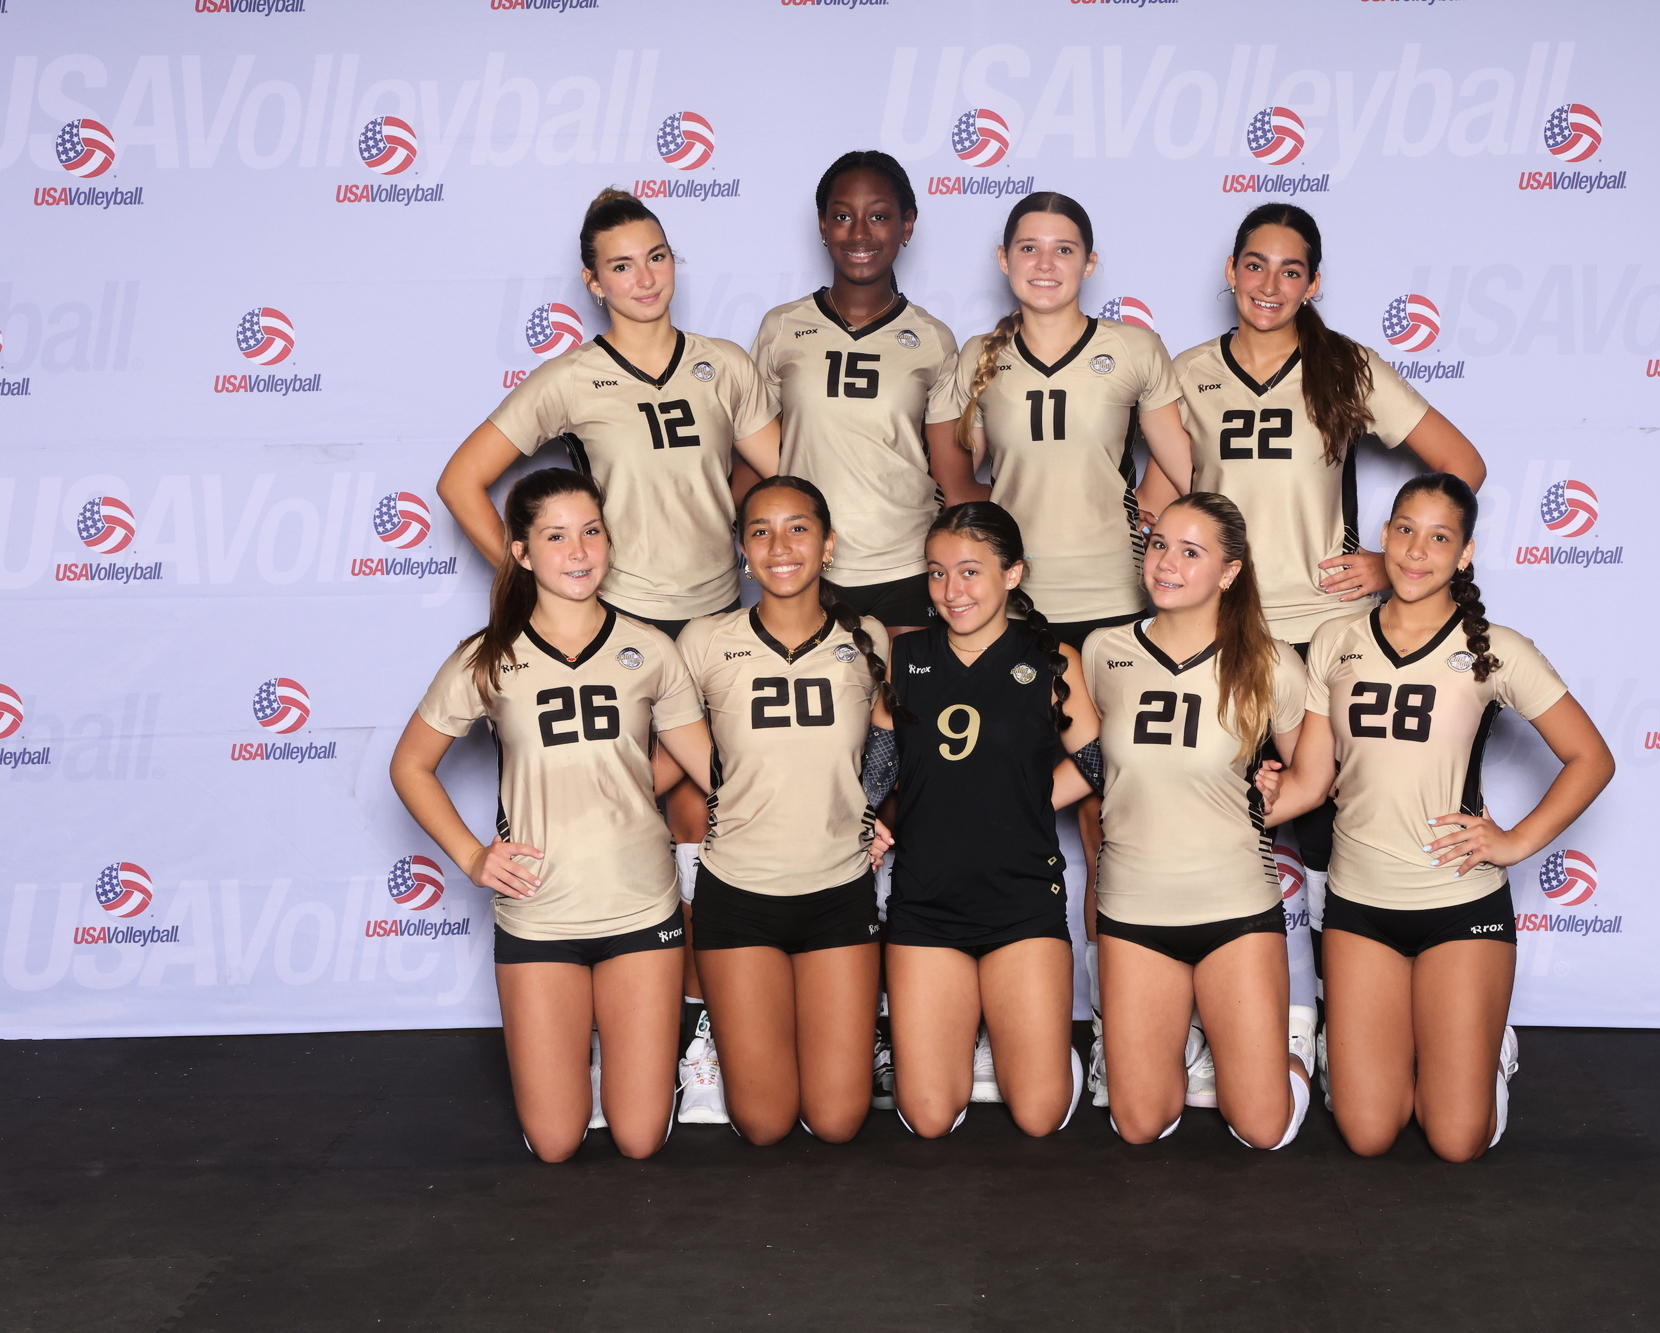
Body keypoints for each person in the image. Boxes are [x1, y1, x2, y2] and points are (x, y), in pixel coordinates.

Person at [437, 187, 782, 1125]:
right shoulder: (571, 379)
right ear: (593, 283)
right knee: (631, 818)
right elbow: (462, 480)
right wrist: (531, 586)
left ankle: (695, 1035)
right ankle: (601, 1035)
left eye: (656, 256)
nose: (644, 278)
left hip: (712, 624)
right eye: (621, 265)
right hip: (618, 632)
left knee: (709, 819)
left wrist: (732, 524)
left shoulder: (723, 364)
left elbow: (779, 475)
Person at [1171, 203, 1487, 1060]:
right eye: (1255, 264)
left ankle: (1334, 1024)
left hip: (1323, 632)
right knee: (1217, 813)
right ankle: (1222, 1022)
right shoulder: (1187, 372)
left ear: (1314, 282)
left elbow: (1462, 465)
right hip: (1226, 631)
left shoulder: (1344, 366)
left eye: (1291, 269)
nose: (1269, 284)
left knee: (1324, 826)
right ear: (1230, 270)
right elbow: (1165, 497)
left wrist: (1391, 562)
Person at [1263, 473, 1614, 1161]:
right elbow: (1311, 779)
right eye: (1404, 530)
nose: (1417, 551)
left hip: (1460, 906)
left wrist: (1514, 841)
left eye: (1439, 537)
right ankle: (1431, 1051)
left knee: (1456, 1139)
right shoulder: (1336, 639)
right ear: (1384, 536)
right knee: (1368, 1133)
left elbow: (1591, 758)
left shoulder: (1494, 648)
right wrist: (1252, 793)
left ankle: (1486, 1051)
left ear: (1465, 553)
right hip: (1360, 904)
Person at [388, 468, 715, 1162]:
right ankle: (576, 1068)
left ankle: (628, 1073)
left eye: (591, 531)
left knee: (638, 1138)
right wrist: (473, 856)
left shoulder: (651, 649)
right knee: (556, 1142)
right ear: (522, 552)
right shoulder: (488, 657)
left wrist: (843, 814)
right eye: (557, 536)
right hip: (540, 915)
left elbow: (715, 769)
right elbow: (409, 766)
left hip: (639, 908)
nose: (579, 550)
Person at [943, 190, 1198, 1056]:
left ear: (1091, 263)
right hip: (1014, 615)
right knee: (991, 807)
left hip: (1114, 611)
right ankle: (995, 1018)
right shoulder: (979, 357)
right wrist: (988, 563)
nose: (1045, 263)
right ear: (1003, 259)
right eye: (1028, 247)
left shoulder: (1132, 349)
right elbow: (957, 486)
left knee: (1107, 822)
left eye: (1063, 249)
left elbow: (1182, 465)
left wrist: (1139, 519)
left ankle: (1120, 1032)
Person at [1085, 492, 1315, 1149]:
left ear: (1229, 571)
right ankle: (1181, 1036)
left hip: (1233, 905)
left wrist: (1279, 787)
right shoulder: (1103, 651)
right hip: (1135, 909)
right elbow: (1090, 772)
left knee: (1262, 1127)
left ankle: (1295, 1048)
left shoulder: (1272, 663)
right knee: (1138, 1124)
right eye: (1159, 544)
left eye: (1191, 552)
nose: (1166, 562)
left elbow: (1312, 777)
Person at [869, 502, 1100, 1137]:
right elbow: (876, 774)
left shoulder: (1051, 658)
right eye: (937, 573)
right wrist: (862, 820)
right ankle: (965, 1039)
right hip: (926, 903)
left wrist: (1019, 796)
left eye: (970, 571)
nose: (952, 591)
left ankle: (1030, 1051)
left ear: (1013, 574)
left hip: (1020, 902)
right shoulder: (905, 656)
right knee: (928, 1118)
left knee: (1039, 1116)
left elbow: (1098, 765)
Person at [673, 476, 893, 1144]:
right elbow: (672, 752)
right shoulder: (704, 639)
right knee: (764, 1124)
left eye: (798, 527)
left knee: (837, 1120)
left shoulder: (867, 636)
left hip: (838, 892)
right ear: (742, 549)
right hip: (739, 895)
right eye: (760, 531)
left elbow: (884, 743)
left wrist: (870, 811)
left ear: (828, 544)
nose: (780, 546)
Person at [749, 150, 960, 637]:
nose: (860, 234)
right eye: (843, 217)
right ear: (823, 226)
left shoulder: (933, 338)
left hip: (908, 564)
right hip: (807, 567)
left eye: (879, 217)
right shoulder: (781, 327)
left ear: (907, 225)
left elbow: (954, 478)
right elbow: (751, 460)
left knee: (903, 689)